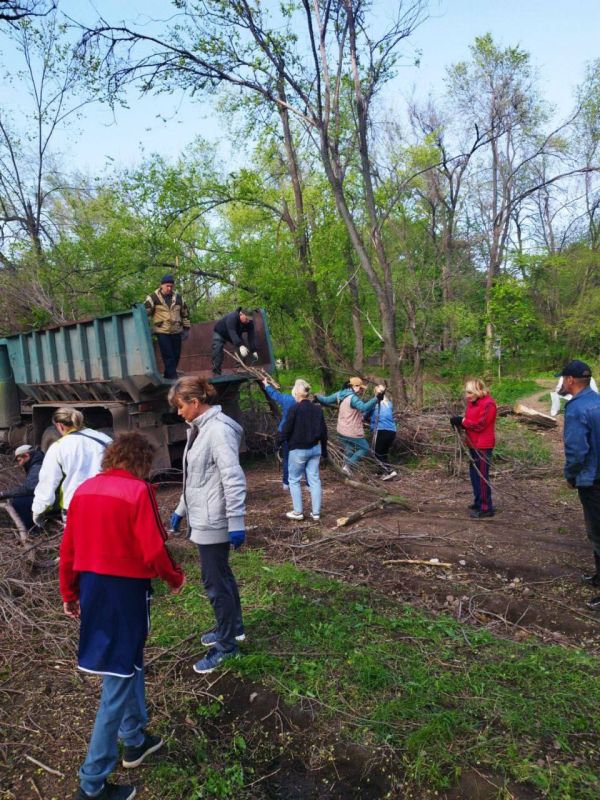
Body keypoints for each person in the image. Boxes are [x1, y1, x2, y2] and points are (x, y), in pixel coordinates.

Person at [59, 432, 185, 800]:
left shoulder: (82, 491)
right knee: (116, 680)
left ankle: (134, 738)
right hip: (125, 594)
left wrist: (69, 591)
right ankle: (92, 783)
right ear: (141, 462)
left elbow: (68, 548)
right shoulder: (138, 491)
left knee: (129, 664)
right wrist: (173, 577)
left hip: (94, 590)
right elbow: (154, 547)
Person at [168, 376, 247, 673]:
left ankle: (227, 646)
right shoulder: (200, 430)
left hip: (215, 520)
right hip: (203, 515)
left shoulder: (218, 431)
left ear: (195, 402)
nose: (179, 412)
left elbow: (233, 478)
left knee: (215, 584)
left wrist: (237, 520)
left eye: (180, 406)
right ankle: (233, 628)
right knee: (222, 578)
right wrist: (181, 509)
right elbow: (198, 480)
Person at [558, 360, 600, 609]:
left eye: (563, 378)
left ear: (571, 380)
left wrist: (571, 475)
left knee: (597, 531)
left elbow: (576, 450)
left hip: (592, 479)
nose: (562, 383)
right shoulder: (598, 401)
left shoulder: (576, 409)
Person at [32, 408, 112, 526]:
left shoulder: (59, 447)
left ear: (60, 426)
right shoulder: (105, 439)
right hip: (108, 503)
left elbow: (48, 482)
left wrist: (38, 510)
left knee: (78, 544)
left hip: (76, 506)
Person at [279, 379, 328, 521]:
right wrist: (324, 450)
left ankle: (298, 512)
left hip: (298, 450)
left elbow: (286, 429)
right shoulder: (317, 408)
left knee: (294, 480)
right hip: (315, 449)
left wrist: (279, 443)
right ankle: (316, 513)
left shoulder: (294, 409)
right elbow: (324, 431)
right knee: (314, 480)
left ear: (296, 393)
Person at [315, 377, 385, 476]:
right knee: (365, 448)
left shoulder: (340, 394)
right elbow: (363, 408)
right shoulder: (353, 398)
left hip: (341, 429)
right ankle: (348, 466)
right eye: (360, 388)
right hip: (351, 430)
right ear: (353, 386)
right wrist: (376, 398)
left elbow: (326, 400)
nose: (361, 390)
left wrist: (316, 397)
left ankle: (346, 473)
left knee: (349, 449)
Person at [450, 379, 497, 519]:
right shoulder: (472, 403)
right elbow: (469, 421)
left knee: (481, 477)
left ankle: (486, 507)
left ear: (478, 390)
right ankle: (478, 502)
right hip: (472, 444)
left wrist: (463, 421)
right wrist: (459, 422)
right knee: (474, 475)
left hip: (483, 445)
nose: (467, 395)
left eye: (470, 392)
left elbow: (480, 425)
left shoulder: (489, 404)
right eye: (466, 392)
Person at [144, 274, 191, 380]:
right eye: (167, 286)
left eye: (171, 286)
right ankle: (174, 379)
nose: (169, 288)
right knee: (168, 356)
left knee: (176, 356)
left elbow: (185, 313)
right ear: (161, 286)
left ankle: (167, 376)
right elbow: (145, 311)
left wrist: (186, 329)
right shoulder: (153, 297)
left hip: (176, 331)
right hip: (162, 331)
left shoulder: (178, 298)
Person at [261, 377, 298, 490]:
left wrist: (266, 385)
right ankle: (308, 484)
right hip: (298, 433)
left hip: (285, 432)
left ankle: (286, 483)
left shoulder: (287, 399)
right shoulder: (303, 401)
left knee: (287, 458)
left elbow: (275, 395)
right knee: (302, 457)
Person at [0, 444, 45, 530]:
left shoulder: (37, 467)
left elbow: (29, 489)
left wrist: (3, 494)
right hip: (49, 495)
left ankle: (32, 530)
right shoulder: (38, 463)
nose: (19, 464)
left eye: (19, 460)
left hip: (53, 499)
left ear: (27, 456)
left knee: (18, 502)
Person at [212, 307, 258, 375]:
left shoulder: (249, 322)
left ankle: (240, 368)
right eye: (247, 319)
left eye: (249, 319)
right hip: (221, 332)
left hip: (235, 334)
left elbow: (251, 336)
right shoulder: (232, 317)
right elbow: (232, 331)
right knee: (217, 347)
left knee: (243, 347)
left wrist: (254, 350)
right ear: (241, 314)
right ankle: (216, 370)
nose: (248, 321)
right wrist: (240, 345)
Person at [365, 392, 398, 481]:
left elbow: (364, 415)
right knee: (383, 452)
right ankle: (381, 472)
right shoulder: (389, 404)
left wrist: (369, 419)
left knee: (375, 453)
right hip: (392, 431)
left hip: (380, 430)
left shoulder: (373, 404)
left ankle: (390, 471)